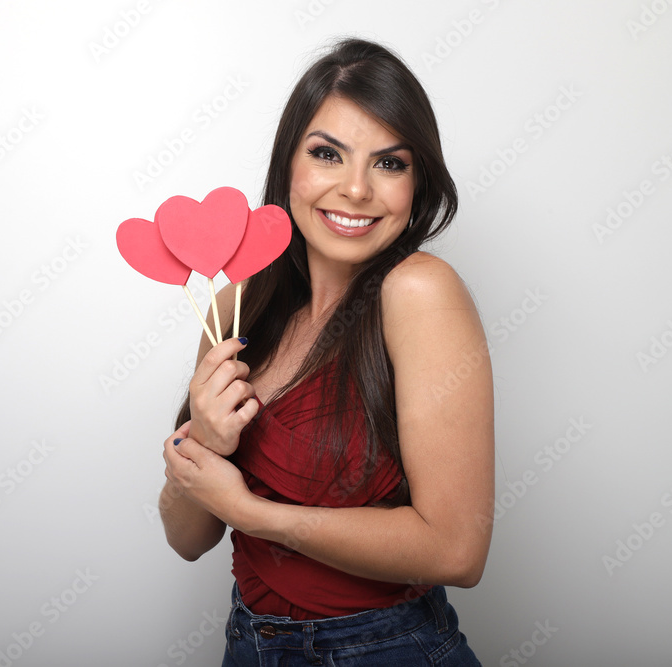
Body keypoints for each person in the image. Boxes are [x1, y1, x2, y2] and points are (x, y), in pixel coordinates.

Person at [159, 37, 493, 666]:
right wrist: (202, 438)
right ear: (290, 165)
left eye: (390, 163)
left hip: (386, 649)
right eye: (327, 154)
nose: (357, 189)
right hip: (249, 645)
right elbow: (186, 538)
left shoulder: (420, 292)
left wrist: (254, 515)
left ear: (417, 182)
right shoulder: (239, 299)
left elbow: (457, 551)